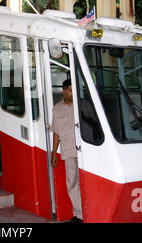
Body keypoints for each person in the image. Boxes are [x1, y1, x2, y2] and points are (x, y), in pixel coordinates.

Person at [51, 79, 83, 223]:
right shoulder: (56, 109)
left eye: (74, 90)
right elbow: (56, 132)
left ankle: (88, 211)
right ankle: (79, 215)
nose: (72, 93)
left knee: (85, 182)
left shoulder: (81, 105)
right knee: (72, 183)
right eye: (70, 90)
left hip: (85, 151)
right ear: (63, 91)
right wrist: (54, 154)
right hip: (68, 150)